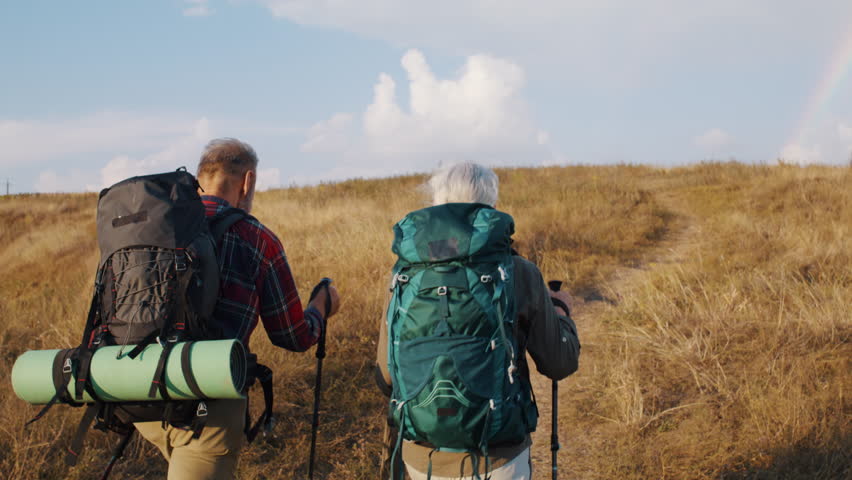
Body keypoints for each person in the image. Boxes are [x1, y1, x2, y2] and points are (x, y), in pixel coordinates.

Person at [134, 138, 340, 480]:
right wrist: (321, 305)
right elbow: (293, 335)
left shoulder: (158, 226)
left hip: (139, 390)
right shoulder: (257, 238)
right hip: (206, 405)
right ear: (248, 181)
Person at [376, 162, 580, 480]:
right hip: (499, 459)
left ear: (436, 204)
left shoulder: (404, 276)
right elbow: (559, 364)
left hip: (422, 458)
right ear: (492, 207)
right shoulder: (519, 272)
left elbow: (386, 377)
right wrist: (562, 315)